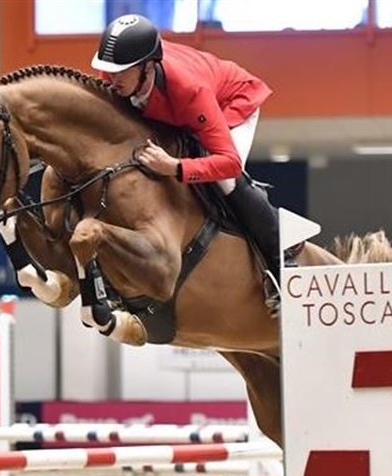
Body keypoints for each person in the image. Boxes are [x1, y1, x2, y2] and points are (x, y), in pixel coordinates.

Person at [91, 14, 284, 306]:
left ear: (147, 67)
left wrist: (175, 167)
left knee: (225, 180)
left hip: (230, 102)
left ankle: (279, 266)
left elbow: (229, 162)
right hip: (178, 112)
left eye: (120, 71)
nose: (110, 78)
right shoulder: (115, 76)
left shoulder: (190, 91)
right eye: (108, 70)